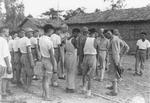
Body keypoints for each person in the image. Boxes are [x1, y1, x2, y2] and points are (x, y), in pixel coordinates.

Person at [105, 30, 129, 96]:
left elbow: (115, 52)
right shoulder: (113, 39)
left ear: (110, 33)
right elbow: (123, 46)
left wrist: (117, 62)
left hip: (113, 58)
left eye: (108, 34)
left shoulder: (114, 40)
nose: (106, 35)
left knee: (113, 73)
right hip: (113, 58)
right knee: (113, 73)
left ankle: (114, 91)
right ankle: (113, 87)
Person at [39, 24, 57, 101]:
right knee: (47, 80)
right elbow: (52, 56)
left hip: (43, 59)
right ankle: (47, 96)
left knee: (44, 79)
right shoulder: (49, 41)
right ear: (50, 30)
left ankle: (43, 93)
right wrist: (55, 67)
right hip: (48, 60)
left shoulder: (40, 39)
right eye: (52, 30)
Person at [82, 28, 97, 97]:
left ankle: (83, 88)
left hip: (85, 57)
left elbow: (82, 48)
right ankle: (89, 92)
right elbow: (97, 49)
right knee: (90, 75)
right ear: (94, 33)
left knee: (84, 74)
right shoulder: (95, 40)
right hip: (92, 57)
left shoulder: (85, 39)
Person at [64, 28, 78, 93]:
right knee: (72, 71)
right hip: (72, 56)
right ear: (75, 33)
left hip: (67, 55)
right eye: (77, 33)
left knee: (68, 71)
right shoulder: (74, 40)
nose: (78, 35)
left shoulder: (67, 39)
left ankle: (67, 86)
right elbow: (77, 47)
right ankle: (71, 88)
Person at [0, 27, 12, 97]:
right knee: (4, 79)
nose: (8, 33)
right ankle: (3, 93)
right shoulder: (3, 41)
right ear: (3, 32)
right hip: (3, 63)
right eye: (7, 32)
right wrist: (8, 66)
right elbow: (5, 55)